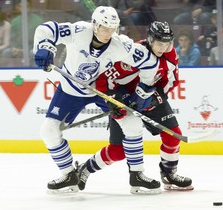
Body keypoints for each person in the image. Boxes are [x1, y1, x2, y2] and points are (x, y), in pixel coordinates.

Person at [33, 6, 161, 194]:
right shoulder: (78, 31)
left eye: (113, 28)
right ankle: (69, 174)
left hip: (103, 91)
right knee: (49, 130)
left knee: (133, 124)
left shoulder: (120, 45)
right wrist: (43, 47)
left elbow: (150, 62)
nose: (108, 33)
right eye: (104, 28)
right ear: (94, 24)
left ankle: (137, 175)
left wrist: (143, 90)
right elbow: (45, 29)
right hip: (71, 90)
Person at [75, 21, 193, 194]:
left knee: (173, 137)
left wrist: (156, 98)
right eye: (159, 43)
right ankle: (85, 169)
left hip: (150, 96)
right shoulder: (133, 54)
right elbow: (103, 78)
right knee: (118, 151)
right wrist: (112, 99)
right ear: (150, 40)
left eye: (167, 43)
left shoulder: (170, 54)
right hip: (124, 99)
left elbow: (171, 80)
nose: (163, 47)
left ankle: (169, 174)